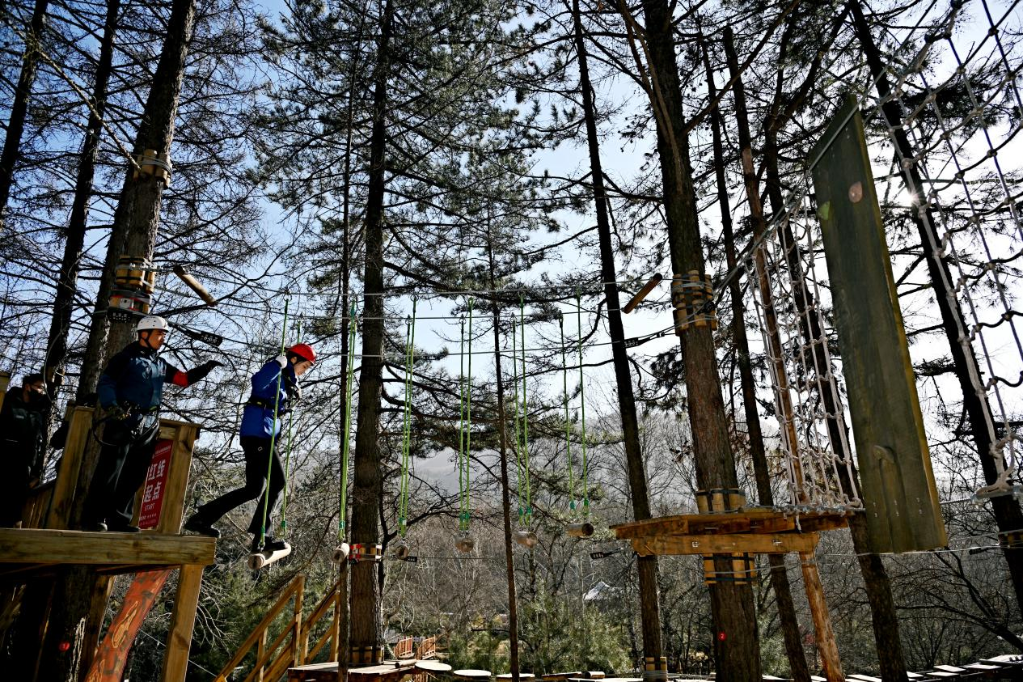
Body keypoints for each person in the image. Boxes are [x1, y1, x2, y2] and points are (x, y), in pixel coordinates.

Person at [82, 316, 220, 532]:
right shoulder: (125, 358)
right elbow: (106, 382)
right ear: (144, 334)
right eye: (159, 334)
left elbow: (183, 380)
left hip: (148, 424)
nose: (162, 338)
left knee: (134, 474)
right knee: (110, 472)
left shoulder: (159, 363)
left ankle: (119, 521)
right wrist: (112, 406)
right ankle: (93, 519)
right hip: (124, 420)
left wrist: (205, 368)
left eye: (164, 335)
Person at [184, 343, 315, 552]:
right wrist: (276, 365)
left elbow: (276, 400)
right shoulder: (276, 369)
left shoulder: (286, 378)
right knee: (278, 481)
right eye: (304, 366)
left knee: (253, 489)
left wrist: (292, 388)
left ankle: (202, 518)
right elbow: (258, 383)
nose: (304, 371)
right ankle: (262, 536)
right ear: (293, 359)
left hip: (263, 434)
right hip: (259, 434)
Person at [0, 373, 49, 527]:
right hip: (5, 463)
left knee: (14, 516)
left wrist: (37, 471)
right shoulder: (8, 402)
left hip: (24, 470)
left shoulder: (38, 413)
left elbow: (40, 443)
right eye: (39, 387)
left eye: (44, 389)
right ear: (27, 386)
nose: (42, 392)